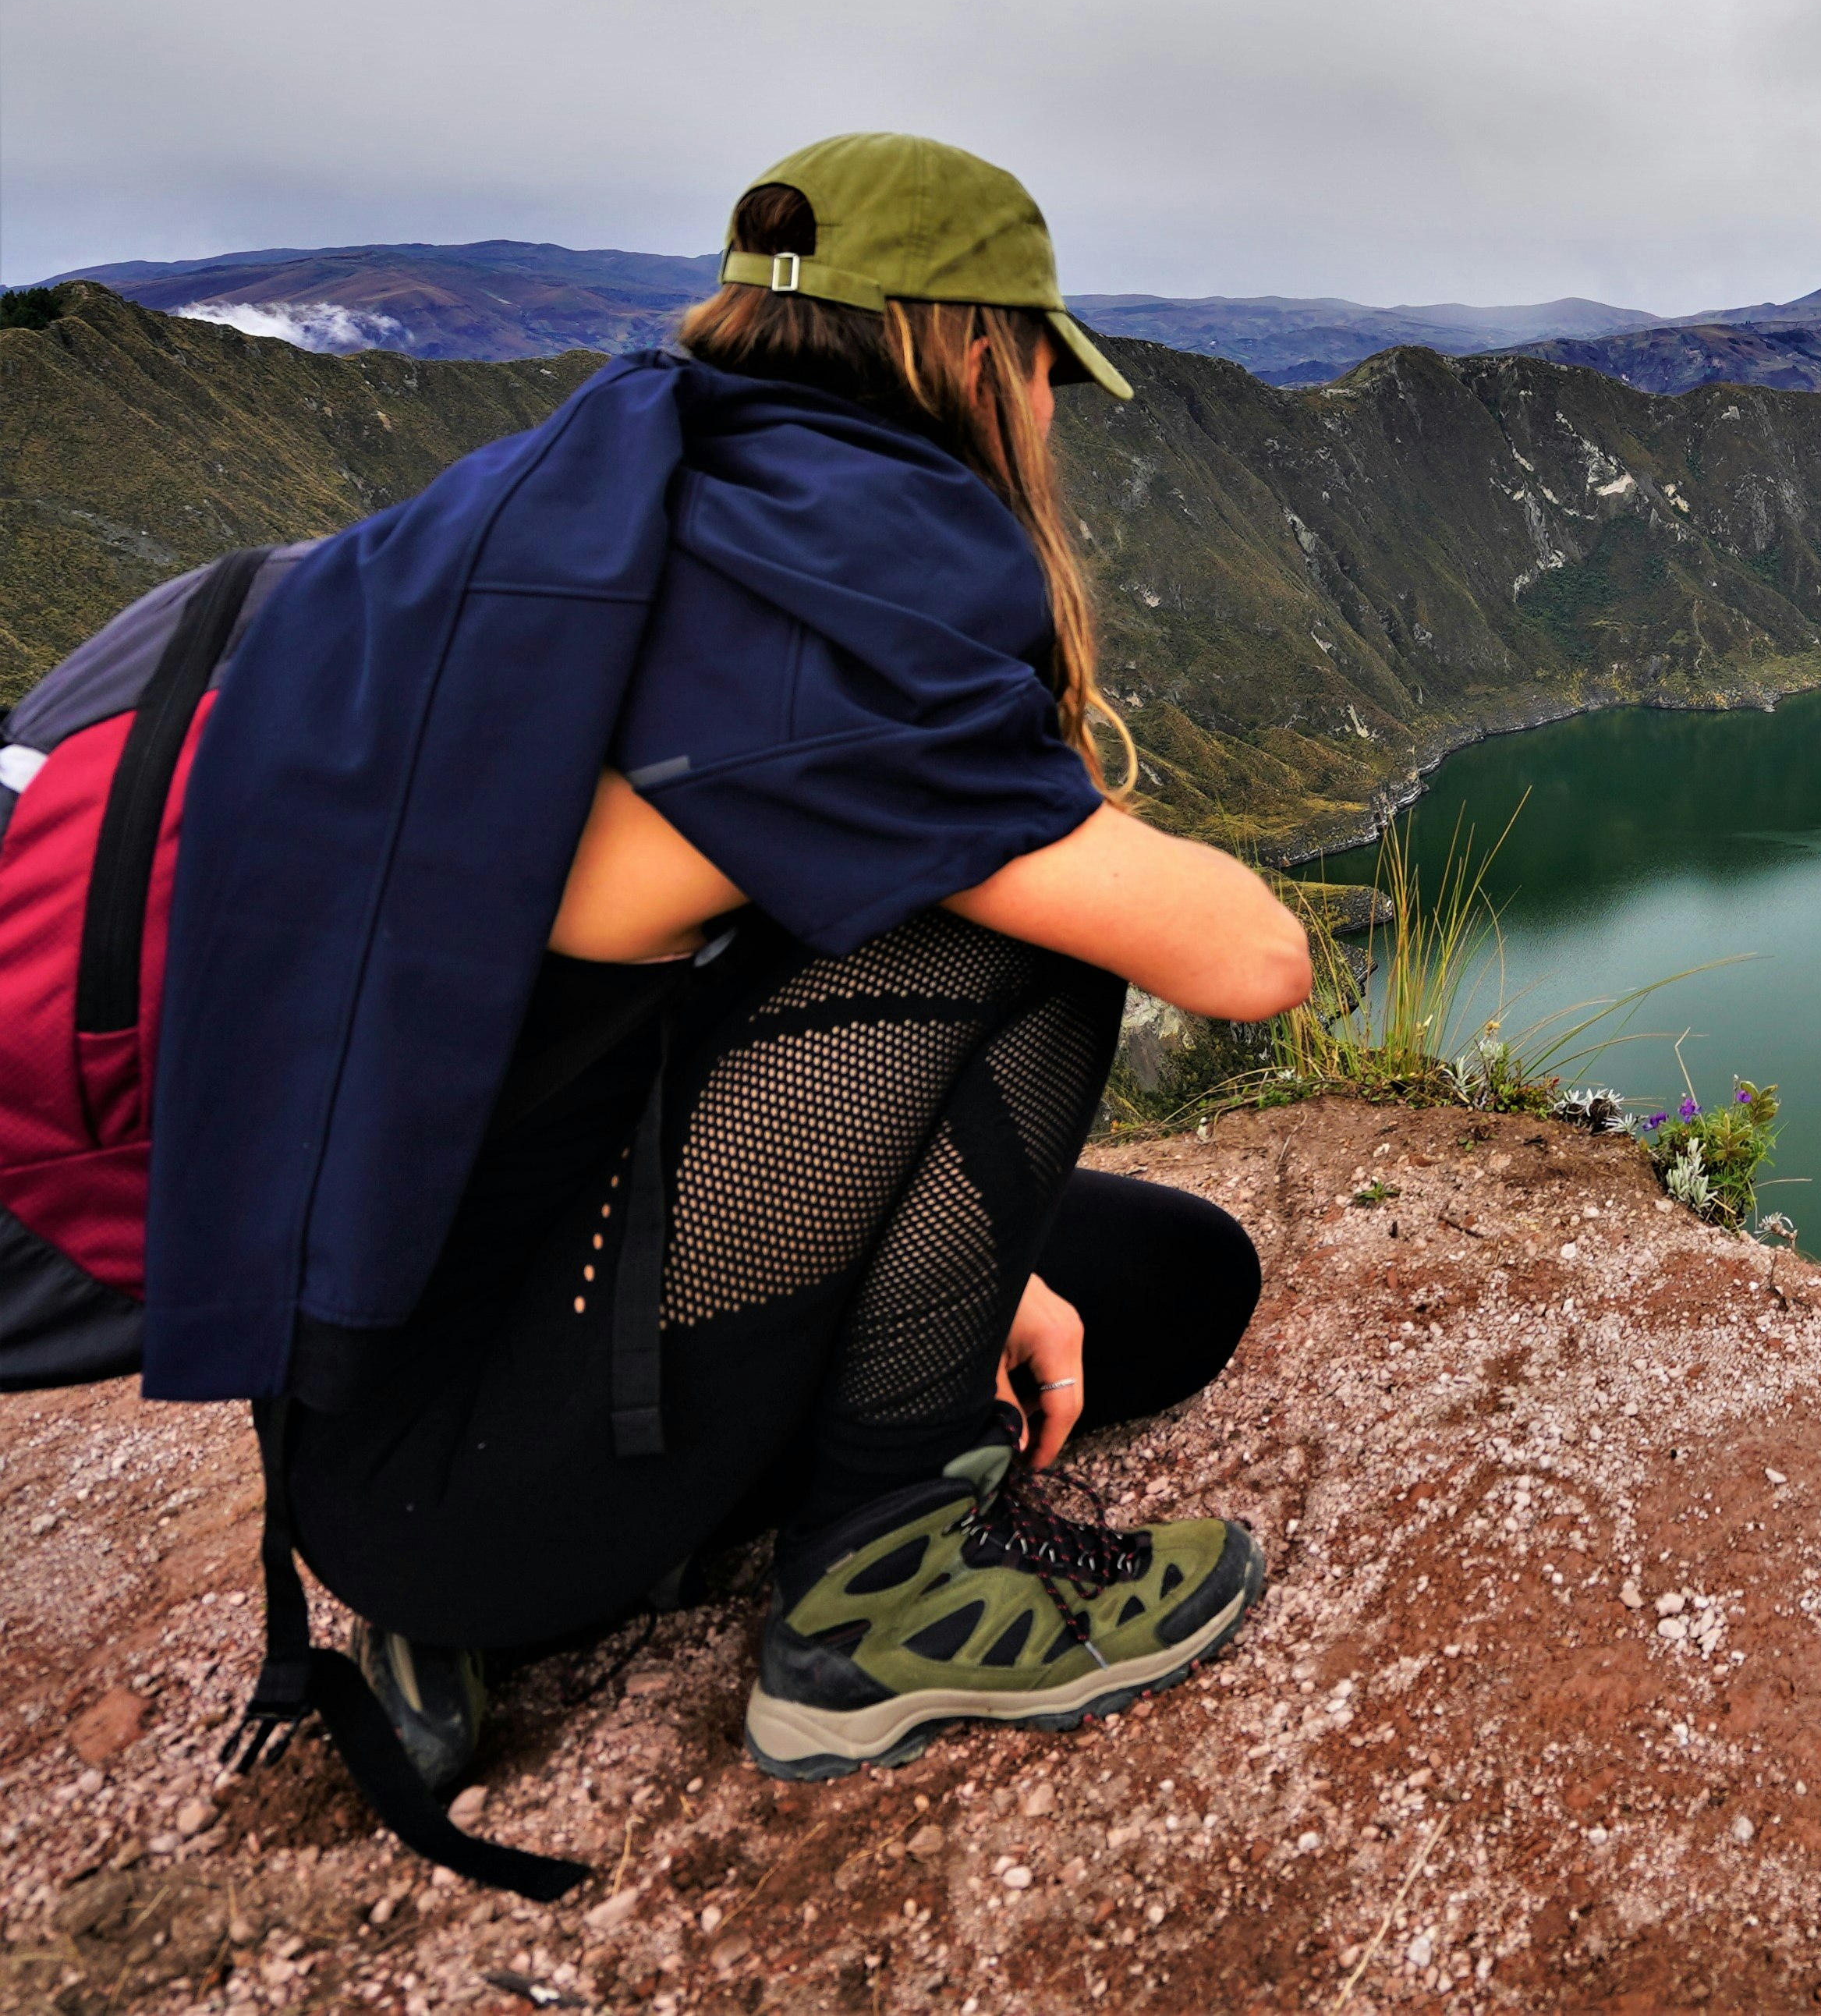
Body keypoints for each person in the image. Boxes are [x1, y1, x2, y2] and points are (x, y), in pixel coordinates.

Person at [147, 133, 1313, 1793]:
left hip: (417, 1372)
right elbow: (1250, 954)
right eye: (1046, 363)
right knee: (1021, 923)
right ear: (967, 350)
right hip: (462, 1463)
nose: (1052, 409)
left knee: (1170, 1283)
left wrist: (985, 1276)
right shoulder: (819, 628)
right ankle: (874, 1601)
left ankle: (659, 1526)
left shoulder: (639, 512)